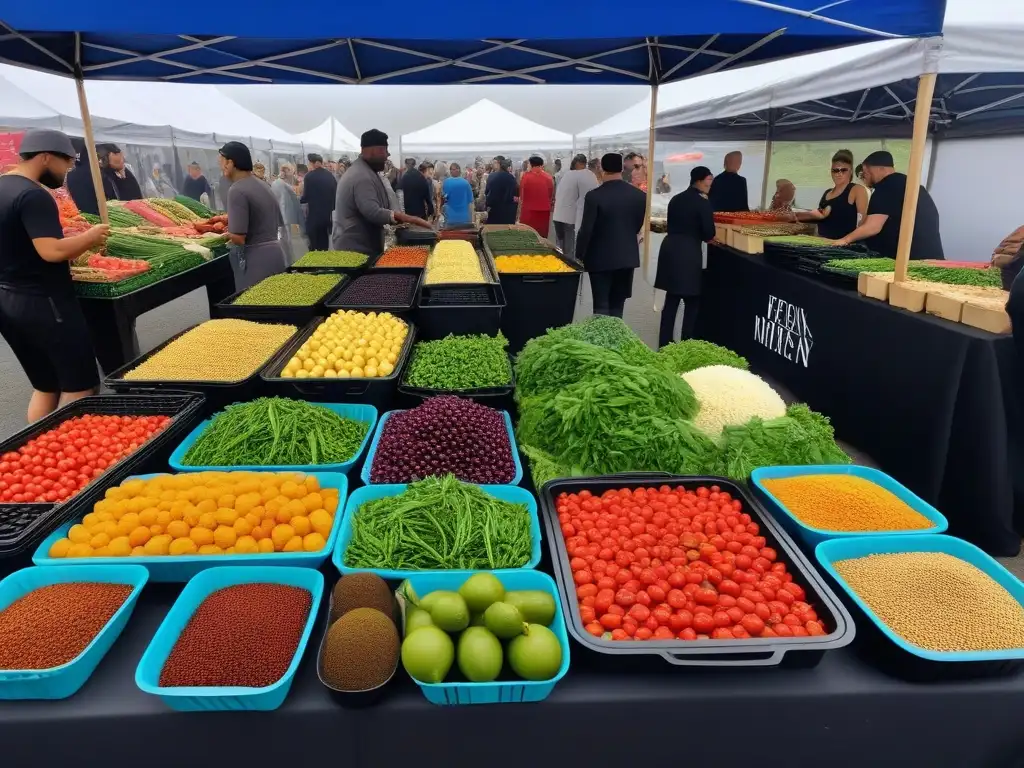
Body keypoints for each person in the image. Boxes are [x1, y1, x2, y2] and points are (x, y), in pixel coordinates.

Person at [0, 129, 109, 422]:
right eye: (67, 163)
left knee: (45, 385)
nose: (68, 171)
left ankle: (32, 453)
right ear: (46, 157)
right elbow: (51, 251)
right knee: (79, 387)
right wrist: (91, 236)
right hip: (45, 304)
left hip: (8, 301)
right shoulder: (33, 195)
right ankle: (64, 457)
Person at [330, 129, 430, 256]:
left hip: (362, 247)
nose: (387, 155)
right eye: (385, 150)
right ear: (372, 150)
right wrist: (411, 219)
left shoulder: (368, 171)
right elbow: (373, 212)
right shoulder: (361, 175)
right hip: (354, 251)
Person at [832, 150, 944, 260]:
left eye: (865, 172)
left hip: (910, 262)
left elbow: (873, 227)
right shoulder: (912, 184)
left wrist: (845, 240)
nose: (864, 177)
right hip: (932, 257)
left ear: (877, 168)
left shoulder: (885, 187)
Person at [576, 153, 646, 318]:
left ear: (601, 169)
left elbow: (586, 230)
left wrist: (579, 255)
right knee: (617, 305)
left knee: (601, 306)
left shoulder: (594, 196)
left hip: (600, 258)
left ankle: (601, 343)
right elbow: (636, 226)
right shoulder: (639, 196)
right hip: (627, 257)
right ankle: (616, 341)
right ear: (622, 168)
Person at [656, 166, 716, 347]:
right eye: (709, 180)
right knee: (692, 300)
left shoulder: (676, 199)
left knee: (672, 298)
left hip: (669, 249)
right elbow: (708, 234)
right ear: (699, 180)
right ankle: (686, 343)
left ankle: (664, 343)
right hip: (688, 253)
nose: (710, 184)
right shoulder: (702, 202)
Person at [219, 141, 288, 290]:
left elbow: (238, 238)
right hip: (276, 256)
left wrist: (222, 235)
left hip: (256, 263)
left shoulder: (237, 190)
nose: (221, 166)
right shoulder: (263, 184)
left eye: (222, 162)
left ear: (230, 163)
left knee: (255, 310)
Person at [792, 149, 868, 241]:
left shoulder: (857, 190)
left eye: (843, 170)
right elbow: (818, 221)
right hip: (822, 245)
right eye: (835, 170)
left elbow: (862, 224)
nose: (839, 174)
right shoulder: (827, 193)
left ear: (851, 171)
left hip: (846, 246)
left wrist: (846, 241)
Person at [552, 153, 598, 261]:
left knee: (560, 247)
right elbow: (591, 196)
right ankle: (569, 271)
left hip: (558, 216)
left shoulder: (567, 175)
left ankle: (559, 267)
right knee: (570, 250)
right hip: (570, 219)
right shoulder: (586, 175)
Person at [300, 153, 337, 251]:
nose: (309, 166)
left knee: (313, 245)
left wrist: (298, 199)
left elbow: (305, 197)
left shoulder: (309, 176)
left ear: (316, 163)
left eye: (310, 163)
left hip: (313, 216)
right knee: (324, 244)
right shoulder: (331, 176)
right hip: (327, 217)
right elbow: (335, 195)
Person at [271, 163, 304, 254]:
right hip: (286, 217)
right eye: (292, 172)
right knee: (288, 240)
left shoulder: (277, 183)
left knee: (286, 240)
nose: (294, 175)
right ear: (287, 172)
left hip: (282, 217)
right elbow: (283, 203)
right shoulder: (281, 185)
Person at [518, 155, 554, 238]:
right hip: (544, 211)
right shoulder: (548, 177)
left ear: (530, 164)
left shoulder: (525, 177)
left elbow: (522, 195)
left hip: (528, 210)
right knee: (542, 234)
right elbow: (550, 194)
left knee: (527, 234)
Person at [485, 156, 518, 225]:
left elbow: (487, 192)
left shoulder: (492, 176)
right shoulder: (512, 178)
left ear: (500, 164)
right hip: (509, 211)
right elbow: (515, 195)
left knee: (494, 232)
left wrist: (487, 205)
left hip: (495, 210)